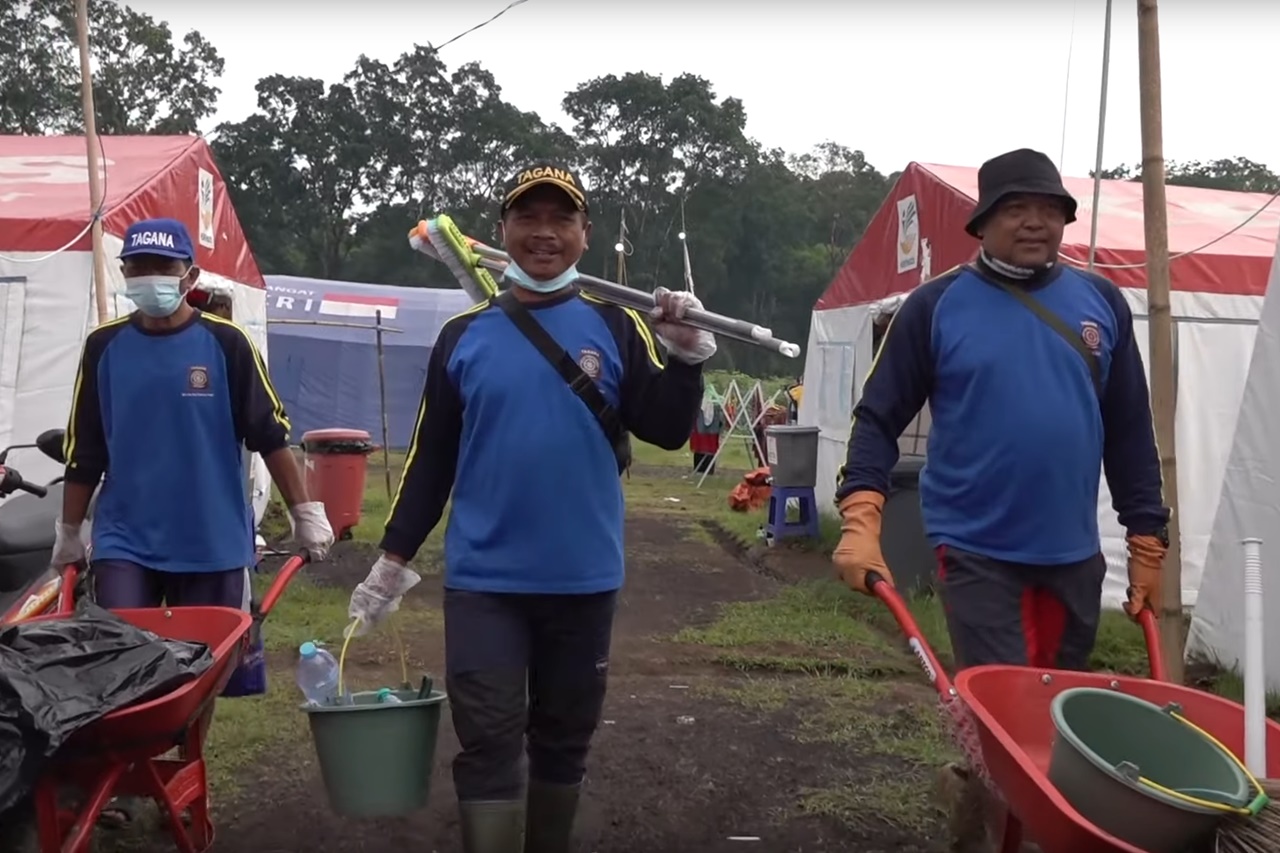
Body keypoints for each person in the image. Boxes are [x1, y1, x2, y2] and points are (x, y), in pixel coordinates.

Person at [347, 164, 714, 853]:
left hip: (583, 577)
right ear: (502, 231)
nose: (544, 233)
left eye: (561, 218)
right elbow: (433, 458)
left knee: (563, 738)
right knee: (486, 739)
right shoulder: (464, 336)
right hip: (486, 581)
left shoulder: (617, 324)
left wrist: (687, 361)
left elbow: (665, 429)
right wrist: (391, 561)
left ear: (584, 234)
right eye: (528, 217)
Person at [830, 149, 1169, 847]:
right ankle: (1000, 829)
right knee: (1010, 716)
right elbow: (878, 416)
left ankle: (1003, 814)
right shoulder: (936, 305)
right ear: (984, 223)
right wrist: (862, 515)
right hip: (976, 548)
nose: (1036, 223)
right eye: (1017, 209)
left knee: (1060, 726)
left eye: (1049, 209)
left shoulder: (1101, 303)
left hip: (1073, 554)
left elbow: (1130, 430)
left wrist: (1145, 539)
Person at [53, 217, 334, 612]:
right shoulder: (104, 346)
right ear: (124, 274)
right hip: (125, 542)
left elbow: (269, 436)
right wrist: (69, 532)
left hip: (212, 542)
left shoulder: (227, 343)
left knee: (215, 663)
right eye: (139, 267)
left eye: (164, 268)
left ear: (191, 276)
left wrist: (303, 512)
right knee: (120, 660)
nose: (150, 277)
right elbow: (85, 449)